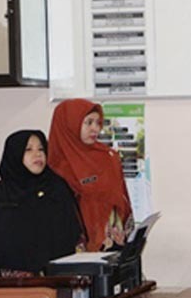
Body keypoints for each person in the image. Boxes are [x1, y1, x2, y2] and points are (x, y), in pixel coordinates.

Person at [0, 130, 83, 275]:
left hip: (57, 282)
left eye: (41, 149)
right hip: (4, 287)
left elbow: (75, 238)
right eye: (28, 149)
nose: (37, 154)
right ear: (14, 154)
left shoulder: (57, 189)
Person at [48, 99, 133, 251]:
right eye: (88, 122)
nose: (95, 129)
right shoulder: (55, 166)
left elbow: (122, 199)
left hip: (111, 244)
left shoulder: (108, 157)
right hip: (73, 248)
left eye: (98, 122)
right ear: (69, 124)